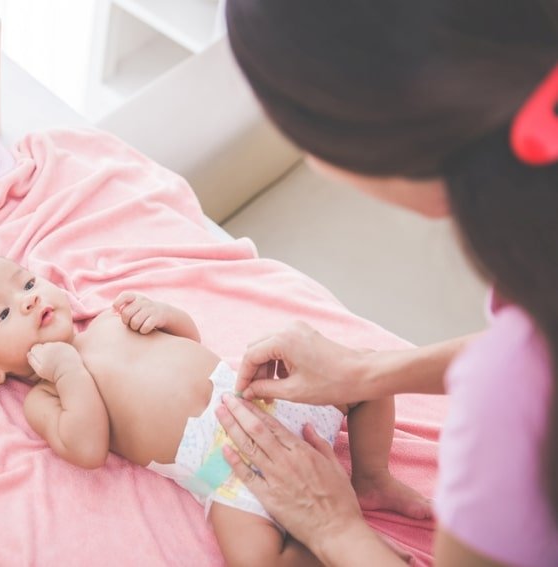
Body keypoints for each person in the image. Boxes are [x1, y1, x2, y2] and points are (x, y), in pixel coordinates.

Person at [215, 1, 558, 565]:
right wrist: (364, 372)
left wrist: (333, 528)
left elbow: (525, 367)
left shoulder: (512, 397)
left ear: (351, 141)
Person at [0, 255, 430, 566]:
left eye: (27, 284)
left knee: (363, 375)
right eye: (5, 313)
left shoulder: (107, 321)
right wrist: (66, 371)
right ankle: (335, 551)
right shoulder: (44, 396)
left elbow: (188, 341)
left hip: (258, 399)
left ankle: (370, 476)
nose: (29, 301)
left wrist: (167, 315)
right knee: (253, 559)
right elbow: (87, 448)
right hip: (218, 468)